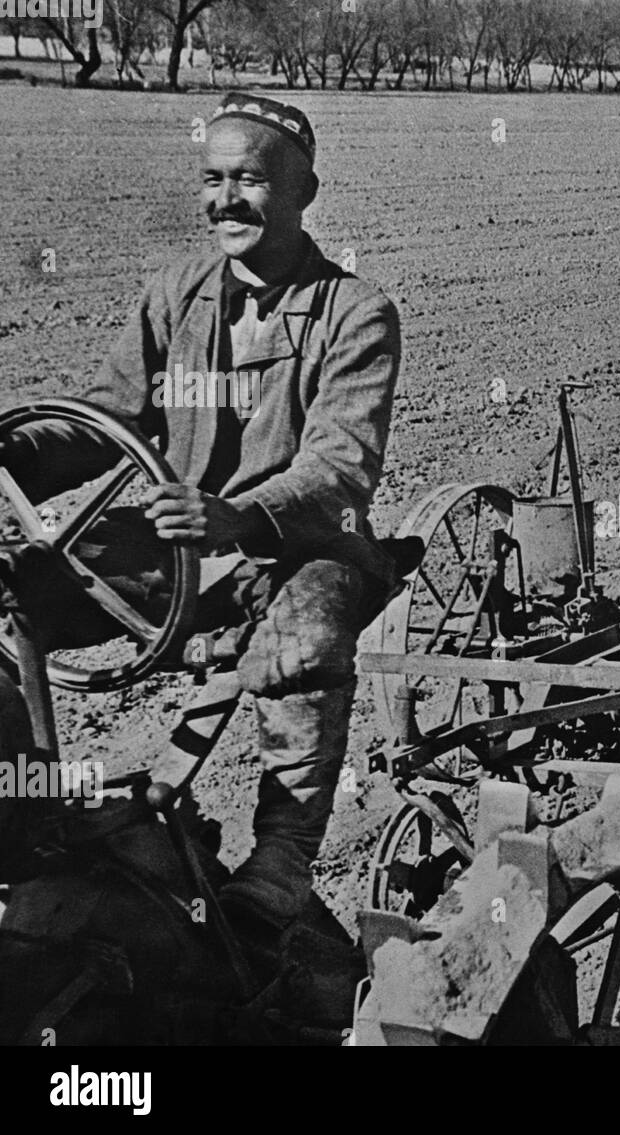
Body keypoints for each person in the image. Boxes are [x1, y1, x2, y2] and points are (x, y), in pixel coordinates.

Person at [0, 93, 402, 940]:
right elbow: (99, 419)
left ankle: (282, 860)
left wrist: (237, 516)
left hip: (289, 550)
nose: (226, 200)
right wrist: (19, 456)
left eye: (249, 180)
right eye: (213, 179)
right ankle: (24, 816)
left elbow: (339, 469)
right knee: (12, 599)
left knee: (311, 624)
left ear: (305, 190)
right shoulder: (176, 294)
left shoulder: (356, 313)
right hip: (168, 553)